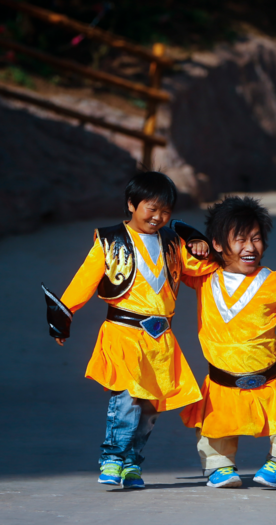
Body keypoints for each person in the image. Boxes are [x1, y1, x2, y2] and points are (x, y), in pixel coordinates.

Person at [42, 171, 216, 489]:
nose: (158, 216)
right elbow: (85, 280)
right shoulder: (109, 241)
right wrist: (62, 317)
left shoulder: (172, 242)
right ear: (132, 204)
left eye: (165, 210)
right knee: (126, 399)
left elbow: (202, 267)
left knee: (150, 407)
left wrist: (198, 242)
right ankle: (112, 458)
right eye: (151, 208)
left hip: (161, 339)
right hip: (123, 333)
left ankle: (132, 464)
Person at [180, 196, 276, 489]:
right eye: (239, 240)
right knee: (216, 427)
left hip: (270, 379)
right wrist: (193, 238)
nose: (250, 248)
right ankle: (220, 466)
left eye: (256, 239)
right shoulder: (204, 277)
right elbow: (173, 242)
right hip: (222, 382)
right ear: (217, 244)